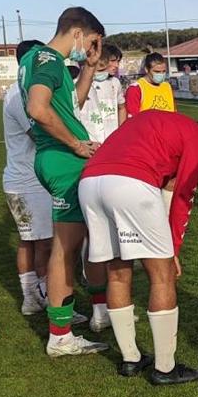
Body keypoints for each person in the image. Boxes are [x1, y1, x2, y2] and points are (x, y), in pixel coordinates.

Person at [79, 111, 198, 383]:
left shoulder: (155, 122)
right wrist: (173, 252)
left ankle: (131, 360)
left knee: (118, 273)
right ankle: (165, 368)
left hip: (90, 182)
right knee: (162, 276)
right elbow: (182, 195)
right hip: (130, 182)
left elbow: (167, 187)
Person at [18, 6, 108, 356]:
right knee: (66, 249)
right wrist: (74, 144)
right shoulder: (47, 58)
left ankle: (68, 317)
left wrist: (89, 67)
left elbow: (73, 105)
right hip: (63, 160)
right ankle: (60, 336)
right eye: (90, 44)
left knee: (70, 245)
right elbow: (38, 110)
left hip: (59, 157)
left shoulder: (41, 61)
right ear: (76, 33)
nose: (88, 50)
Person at [77, 42, 128, 331]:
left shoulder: (115, 85)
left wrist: (121, 137)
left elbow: (121, 109)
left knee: (114, 233)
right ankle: (100, 307)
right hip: (88, 159)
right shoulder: (77, 85)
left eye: (112, 64)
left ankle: (110, 305)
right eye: (107, 64)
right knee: (93, 236)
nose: (111, 68)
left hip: (114, 159)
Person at [4, 40, 51, 316]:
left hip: (20, 179)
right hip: (28, 182)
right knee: (44, 241)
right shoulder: (19, 95)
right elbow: (39, 133)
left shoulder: (19, 91)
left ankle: (32, 298)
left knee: (30, 240)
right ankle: (43, 296)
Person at [80, 43, 126, 143]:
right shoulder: (79, 84)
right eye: (113, 61)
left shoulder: (115, 83)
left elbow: (122, 108)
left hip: (111, 141)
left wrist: (121, 133)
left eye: (118, 61)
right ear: (100, 60)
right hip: (89, 142)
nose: (116, 65)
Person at [125, 52, 175, 118]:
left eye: (164, 71)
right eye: (157, 72)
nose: (161, 74)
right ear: (146, 69)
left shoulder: (167, 86)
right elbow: (132, 120)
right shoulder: (136, 89)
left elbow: (173, 113)